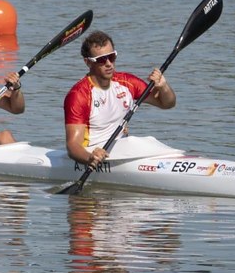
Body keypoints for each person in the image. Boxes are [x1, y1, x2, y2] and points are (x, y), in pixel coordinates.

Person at [64, 30, 176, 169]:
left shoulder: (127, 82)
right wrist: (89, 158)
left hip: (122, 148)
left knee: (147, 141)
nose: (109, 63)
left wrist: (163, 86)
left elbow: (167, 104)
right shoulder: (79, 95)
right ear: (88, 62)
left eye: (112, 56)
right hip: (94, 153)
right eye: (101, 59)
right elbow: (72, 145)